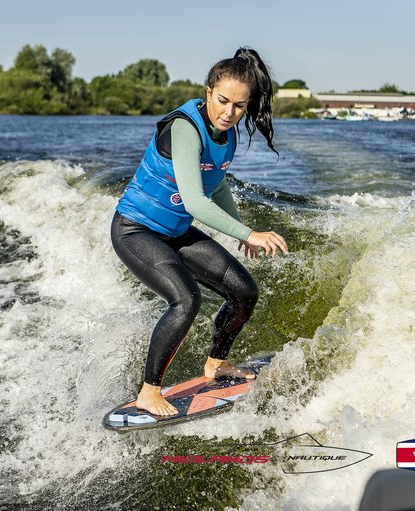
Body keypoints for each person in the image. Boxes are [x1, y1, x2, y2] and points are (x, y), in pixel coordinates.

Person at [110, 47, 288, 416]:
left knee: (243, 292)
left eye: (239, 106)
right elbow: (194, 201)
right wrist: (250, 234)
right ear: (208, 92)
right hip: (136, 230)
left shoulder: (227, 136)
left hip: (175, 232)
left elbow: (216, 185)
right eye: (222, 101)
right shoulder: (184, 128)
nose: (229, 113)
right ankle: (149, 390)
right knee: (186, 299)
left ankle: (216, 363)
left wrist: (241, 232)